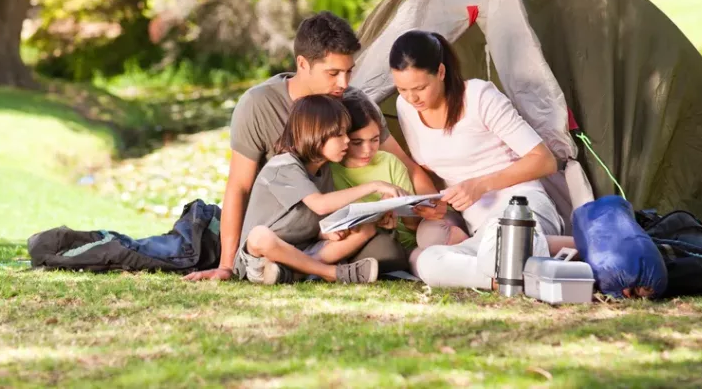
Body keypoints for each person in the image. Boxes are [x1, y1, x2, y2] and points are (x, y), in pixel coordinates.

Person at [186, 11, 446, 282]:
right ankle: (312, 270)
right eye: (333, 73)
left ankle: (292, 270)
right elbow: (239, 186)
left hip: (329, 231)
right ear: (303, 64)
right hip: (281, 229)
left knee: (385, 251)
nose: (343, 84)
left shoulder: (355, 102)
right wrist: (226, 266)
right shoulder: (259, 106)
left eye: (348, 71)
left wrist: (434, 208)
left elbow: (406, 164)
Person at [389, 30, 566, 289]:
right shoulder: (405, 107)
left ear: (440, 72)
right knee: (424, 259)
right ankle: (501, 277)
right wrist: (435, 203)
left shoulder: (479, 97)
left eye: (420, 88)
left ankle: (514, 263)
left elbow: (544, 160)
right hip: (479, 230)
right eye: (402, 89)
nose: (412, 97)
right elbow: (432, 167)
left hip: (521, 208)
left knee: (501, 243)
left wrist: (481, 185)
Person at [234, 95, 408, 284]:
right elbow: (320, 205)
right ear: (315, 134)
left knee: (366, 229)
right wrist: (375, 185)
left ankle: (291, 273)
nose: (347, 141)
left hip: (304, 250)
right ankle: (332, 273)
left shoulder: (323, 170)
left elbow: (306, 222)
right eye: (339, 135)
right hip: (261, 257)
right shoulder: (283, 166)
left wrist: (331, 231)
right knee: (260, 236)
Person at [334, 94, 470, 258]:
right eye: (357, 142)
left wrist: (397, 209)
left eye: (375, 140)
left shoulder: (389, 162)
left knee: (430, 236)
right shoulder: (332, 172)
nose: (368, 150)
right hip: (391, 246)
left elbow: (413, 224)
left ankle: (469, 248)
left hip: (422, 231)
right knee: (418, 260)